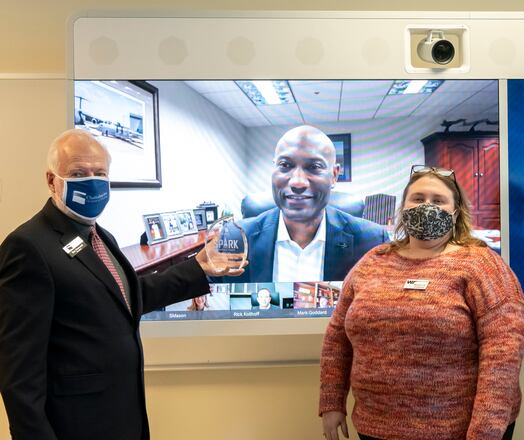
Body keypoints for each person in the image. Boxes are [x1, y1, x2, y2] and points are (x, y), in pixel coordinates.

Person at [0, 129, 245, 440]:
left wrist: (198, 267)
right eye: (78, 173)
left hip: (121, 417)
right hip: (75, 427)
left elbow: (128, 297)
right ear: (52, 181)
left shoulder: (100, 237)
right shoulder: (29, 246)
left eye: (100, 173)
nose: (92, 181)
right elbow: (19, 378)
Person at [320, 165, 524, 440]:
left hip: (458, 431)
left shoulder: (482, 265)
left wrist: (485, 431)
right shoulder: (372, 262)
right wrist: (332, 401)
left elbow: (502, 354)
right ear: (403, 207)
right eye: (418, 198)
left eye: (438, 200)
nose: (426, 206)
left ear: (455, 213)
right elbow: (337, 337)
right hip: (374, 427)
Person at [226, 125, 388, 283]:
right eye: (285, 165)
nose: (297, 182)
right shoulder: (235, 238)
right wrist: (199, 273)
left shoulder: (372, 241)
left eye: (314, 167)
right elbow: (207, 301)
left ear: (334, 175)